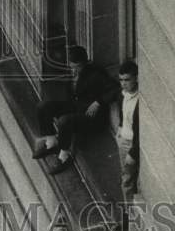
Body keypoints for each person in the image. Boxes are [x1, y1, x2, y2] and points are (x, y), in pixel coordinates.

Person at [32, 45, 119, 174]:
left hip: (91, 118)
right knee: (43, 107)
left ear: (85, 62)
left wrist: (98, 102)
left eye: (77, 67)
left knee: (64, 121)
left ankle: (64, 156)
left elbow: (115, 87)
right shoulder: (72, 71)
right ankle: (51, 142)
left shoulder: (96, 73)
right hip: (76, 107)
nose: (74, 70)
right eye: (72, 66)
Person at [116, 60, 140, 225]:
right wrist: (119, 127)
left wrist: (133, 152)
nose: (124, 84)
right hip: (123, 140)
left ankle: (130, 218)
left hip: (133, 144)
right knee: (126, 178)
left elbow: (141, 131)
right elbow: (122, 111)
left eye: (127, 80)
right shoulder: (122, 94)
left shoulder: (140, 99)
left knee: (129, 179)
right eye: (122, 80)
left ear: (136, 78)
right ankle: (129, 214)